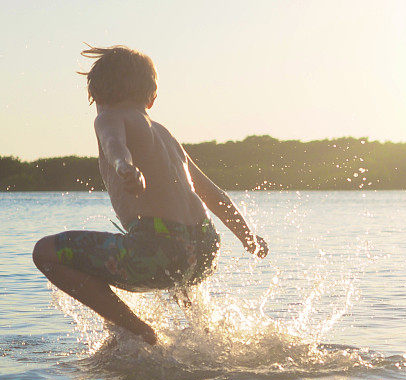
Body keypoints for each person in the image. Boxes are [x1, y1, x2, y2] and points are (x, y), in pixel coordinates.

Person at [31, 45, 268, 345]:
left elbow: (115, 145)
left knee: (45, 253)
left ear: (95, 93)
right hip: (205, 245)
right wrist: (248, 237)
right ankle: (206, 339)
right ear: (152, 98)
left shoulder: (108, 118)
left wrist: (125, 168)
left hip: (158, 246)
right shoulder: (166, 135)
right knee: (177, 272)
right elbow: (213, 194)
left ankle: (139, 330)